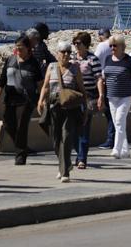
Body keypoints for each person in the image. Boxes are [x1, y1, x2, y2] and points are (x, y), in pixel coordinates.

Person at [37, 41, 87, 183]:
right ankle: (65, 164)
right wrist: (40, 100)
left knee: (66, 138)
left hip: (70, 108)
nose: (66, 54)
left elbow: (82, 90)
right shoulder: (51, 67)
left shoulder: (75, 69)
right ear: (57, 53)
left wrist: (85, 108)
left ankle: (65, 172)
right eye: (63, 52)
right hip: (53, 107)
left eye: (68, 52)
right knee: (55, 140)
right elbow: (46, 86)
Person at [0, 35, 42, 165]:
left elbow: (40, 83)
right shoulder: (10, 60)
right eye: (16, 47)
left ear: (27, 48)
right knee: (8, 125)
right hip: (10, 98)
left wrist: (41, 99)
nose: (18, 49)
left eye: (21, 47)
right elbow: (2, 79)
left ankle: (20, 156)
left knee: (21, 127)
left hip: (27, 99)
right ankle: (23, 147)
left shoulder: (33, 63)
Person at [98, 35, 131, 159]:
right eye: (111, 45)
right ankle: (126, 150)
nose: (112, 48)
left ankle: (116, 149)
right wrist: (101, 95)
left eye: (115, 45)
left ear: (122, 47)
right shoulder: (108, 59)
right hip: (111, 96)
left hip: (126, 95)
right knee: (119, 123)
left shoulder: (129, 61)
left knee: (119, 121)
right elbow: (103, 77)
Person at [70, 32, 102, 169]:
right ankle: (79, 154)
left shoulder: (92, 59)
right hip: (73, 96)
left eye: (79, 43)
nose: (76, 46)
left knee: (84, 127)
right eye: (75, 43)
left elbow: (99, 78)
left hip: (88, 96)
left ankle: (82, 158)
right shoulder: (71, 58)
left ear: (86, 44)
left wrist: (101, 96)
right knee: (72, 130)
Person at [94, 28, 115, 149]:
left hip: (104, 80)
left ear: (102, 36)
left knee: (109, 112)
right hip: (113, 80)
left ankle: (111, 139)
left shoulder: (102, 46)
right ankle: (115, 138)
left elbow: (95, 61)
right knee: (112, 111)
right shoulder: (114, 45)